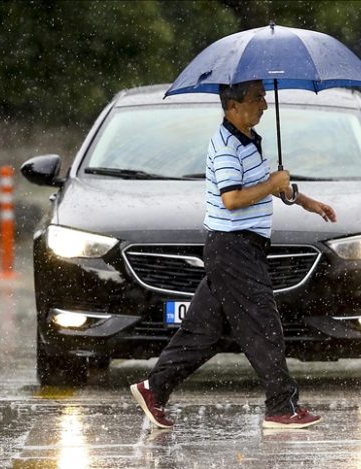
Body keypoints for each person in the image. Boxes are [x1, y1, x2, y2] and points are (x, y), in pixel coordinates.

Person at [130, 80, 337, 429]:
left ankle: (154, 388)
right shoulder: (226, 146)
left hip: (238, 248)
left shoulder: (250, 142)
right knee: (265, 325)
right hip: (233, 248)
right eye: (258, 99)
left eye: (264, 98)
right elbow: (233, 198)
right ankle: (281, 407)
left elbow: (269, 185)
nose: (265, 106)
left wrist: (306, 202)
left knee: (204, 332)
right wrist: (271, 185)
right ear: (233, 106)